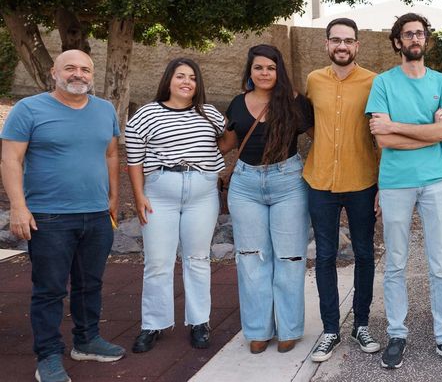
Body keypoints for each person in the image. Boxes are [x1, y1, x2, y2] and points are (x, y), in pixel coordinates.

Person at [1, 49, 125, 382]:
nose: (78, 74)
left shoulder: (104, 110)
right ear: (54, 73)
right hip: (50, 217)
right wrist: (18, 206)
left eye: (85, 69)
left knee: (90, 284)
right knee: (50, 290)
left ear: (92, 75)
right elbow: (10, 160)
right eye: (70, 68)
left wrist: (113, 197)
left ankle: (86, 341)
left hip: (97, 215)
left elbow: (111, 154)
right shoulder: (29, 109)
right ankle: (49, 357)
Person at [365, 13, 442, 369]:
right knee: (395, 262)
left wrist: (396, 126)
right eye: (408, 34)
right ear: (397, 42)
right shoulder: (383, 83)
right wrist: (423, 130)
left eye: (419, 34)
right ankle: (397, 333)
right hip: (395, 183)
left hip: (436, 181)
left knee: (439, 264)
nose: (414, 39)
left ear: (426, 40)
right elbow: (382, 138)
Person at [125, 58, 226, 353]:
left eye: (192, 77)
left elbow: (227, 139)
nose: (187, 82)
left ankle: (199, 322)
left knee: (197, 258)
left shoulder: (209, 114)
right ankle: (153, 324)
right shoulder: (146, 114)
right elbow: (134, 160)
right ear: (168, 80)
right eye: (180, 76)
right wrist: (139, 195)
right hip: (160, 194)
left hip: (202, 194)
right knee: (158, 261)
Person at [219, 44, 314, 354]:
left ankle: (289, 328)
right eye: (258, 67)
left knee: (289, 257)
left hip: (287, 181)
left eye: (270, 68)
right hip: (246, 184)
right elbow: (227, 144)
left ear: (279, 71)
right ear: (250, 71)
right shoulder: (236, 104)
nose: (264, 73)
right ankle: (258, 329)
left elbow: (319, 137)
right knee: (251, 258)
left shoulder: (295, 104)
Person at [304, 18, 382, 362]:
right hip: (320, 181)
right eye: (336, 40)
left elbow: (381, 134)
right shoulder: (313, 81)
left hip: (362, 181)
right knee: (324, 256)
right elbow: (308, 125)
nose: (342, 46)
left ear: (357, 46)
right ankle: (331, 330)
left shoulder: (374, 82)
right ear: (326, 44)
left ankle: (361, 324)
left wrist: (384, 184)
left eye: (348, 41)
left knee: (364, 254)